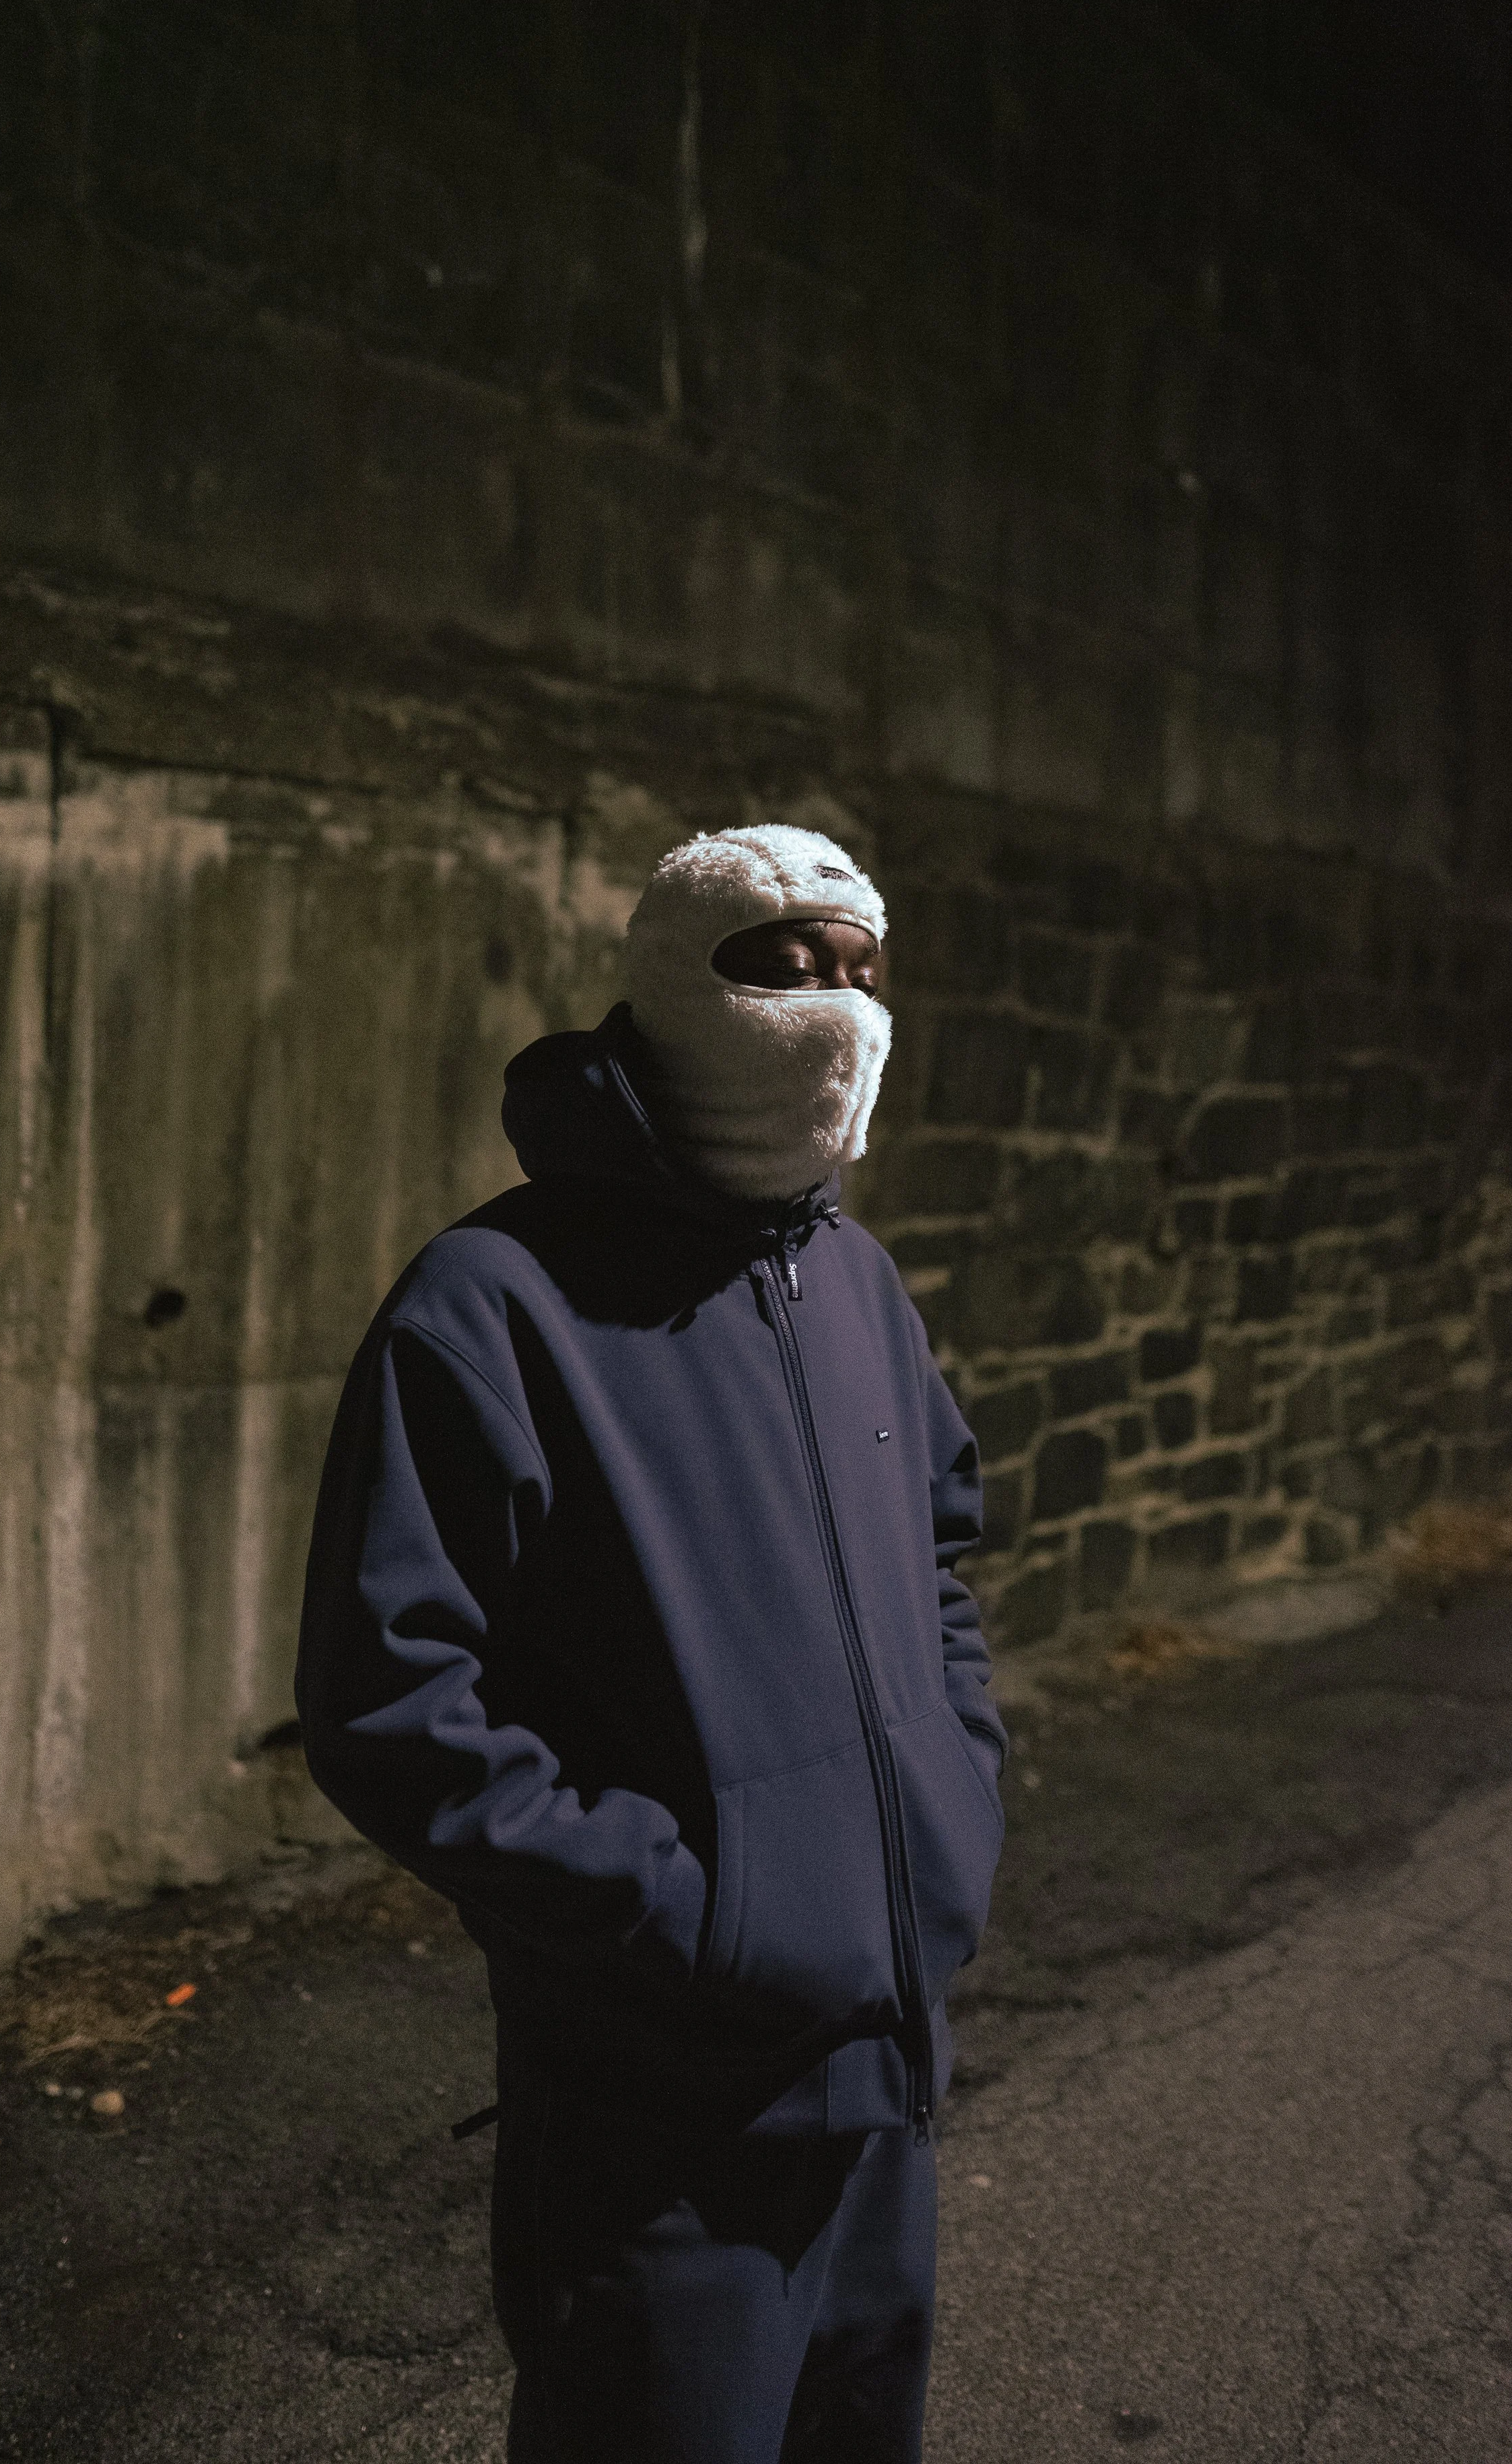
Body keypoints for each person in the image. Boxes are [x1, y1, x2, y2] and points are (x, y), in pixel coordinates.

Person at [296, 823, 1006, 2464]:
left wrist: (956, 1799)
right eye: (778, 963)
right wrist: (681, 1914)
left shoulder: (855, 1283)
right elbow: (387, 1702)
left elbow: (942, 1561)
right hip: (653, 2128)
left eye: (858, 967)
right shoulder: (493, 1304)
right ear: (669, 988)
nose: (830, 1004)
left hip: (885, 2098)